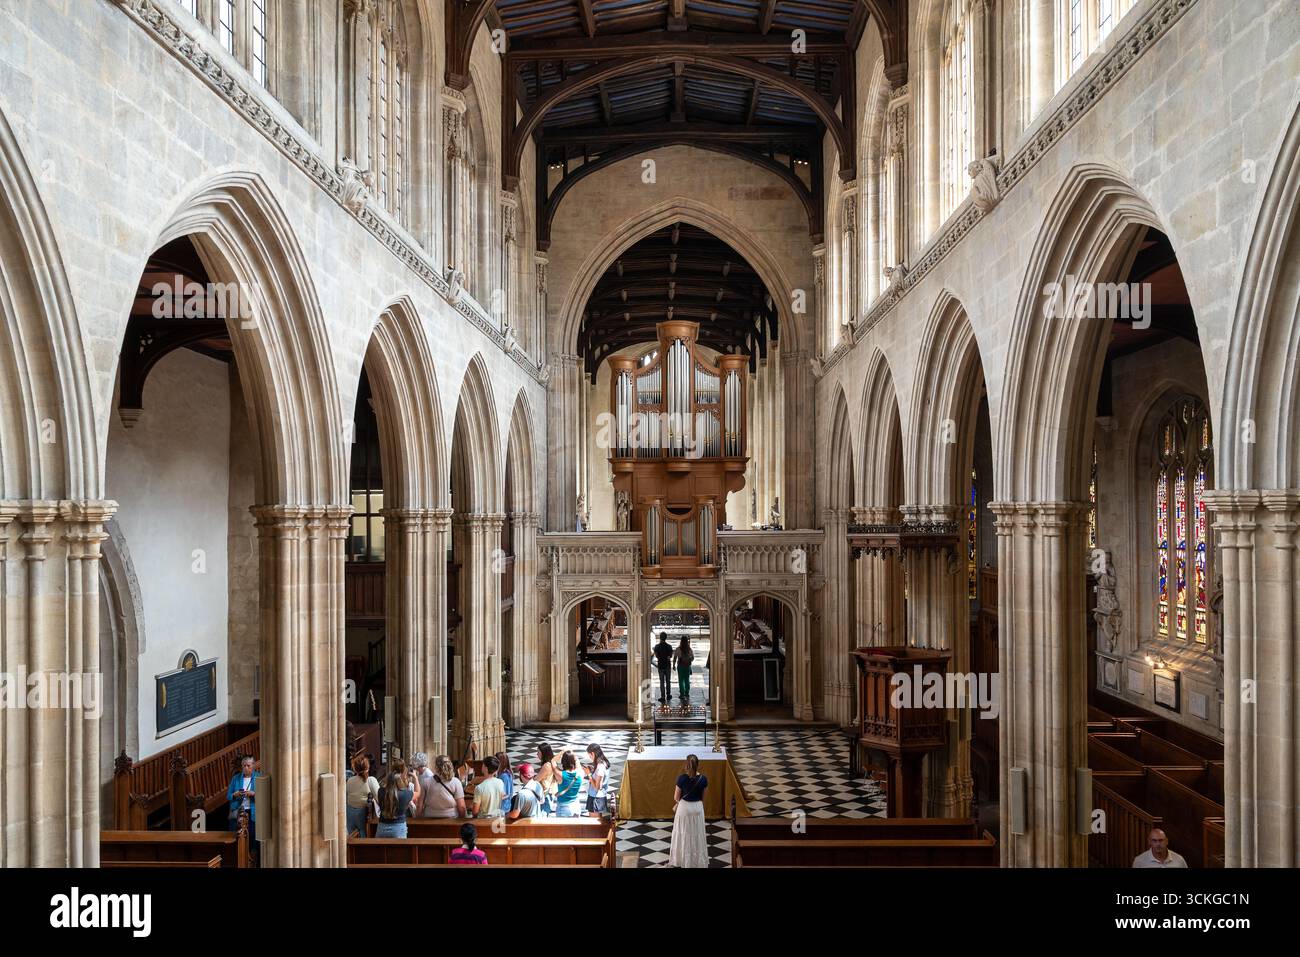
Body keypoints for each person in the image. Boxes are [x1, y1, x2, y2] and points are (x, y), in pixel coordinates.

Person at [668, 754, 708, 868]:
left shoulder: (682, 778)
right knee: (697, 835)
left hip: (684, 809)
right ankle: (697, 862)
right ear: (698, 765)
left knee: (683, 835)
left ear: (686, 765)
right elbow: (703, 798)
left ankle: (681, 861)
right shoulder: (703, 779)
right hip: (697, 809)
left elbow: (676, 797)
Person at [226, 755, 262, 843]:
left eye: (248, 766)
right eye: (244, 766)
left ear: (253, 765)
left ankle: (251, 855)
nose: (246, 768)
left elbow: (264, 796)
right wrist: (235, 794)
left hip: (252, 812)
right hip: (238, 811)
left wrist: (253, 794)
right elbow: (228, 796)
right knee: (236, 838)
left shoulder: (259, 777)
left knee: (252, 837)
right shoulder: (236, 778)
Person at [422, 754, 467, 819]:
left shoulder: (426, 782)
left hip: (429, 817)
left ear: (436, 767)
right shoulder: (456, 782)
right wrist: (460, 822)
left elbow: (420, 805)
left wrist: (419, 820)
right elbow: (461, 807)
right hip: (451, 818)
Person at [344, 754, 379, 836]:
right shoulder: (371, 780)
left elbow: (346, 797)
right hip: (364, 814)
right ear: (368, 768)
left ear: (355, 768)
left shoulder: (349, 781)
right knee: (364, 836)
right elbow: (379, 798)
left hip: (349, 813)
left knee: (352, 835)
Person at [376, 769, 414, 838]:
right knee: (399, 849)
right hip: (398, 828)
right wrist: (413, 778)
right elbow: (417, 791)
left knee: (380, 848)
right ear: (400, 782)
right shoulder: (406, 794)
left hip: (382, 826)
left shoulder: (380, 792)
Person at [554, 751, 585, 818]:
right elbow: (578, 764)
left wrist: (562, 752)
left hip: (563, 808)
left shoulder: (560, 775)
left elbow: (553, 761)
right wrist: (572, 754)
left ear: (563, 762)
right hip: (576, 807)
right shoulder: (581, 773)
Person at [585, 744, 611, 818]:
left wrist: (589, 774)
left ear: (593, 753)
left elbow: (597, 787)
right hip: (599, 796)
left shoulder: (600, 766)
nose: (590, 758)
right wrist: (593, 770)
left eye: (590, 756)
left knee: (594, 824)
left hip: (596, 797)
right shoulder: (604, 762)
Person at [536, 744, 560, 816]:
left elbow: (536, 779)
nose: (537, 754)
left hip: (545, 795)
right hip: (550, 793)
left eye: (538, 752)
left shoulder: (546, 766)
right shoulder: (552, 762)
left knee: (542, 818)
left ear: (543, 753)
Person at [410, 752, 434, 817]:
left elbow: (429, 792)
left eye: (413, 763)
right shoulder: (420, 772)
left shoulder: (428, 774)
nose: (412, 765)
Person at [673, 635, 695, 702]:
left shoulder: (678, 649)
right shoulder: (689, 649)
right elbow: (693, 657)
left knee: (681, 680)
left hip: (680, 666)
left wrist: (673, 665)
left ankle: (682, 693)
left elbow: (675, 658)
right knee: (687, 679)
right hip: (687, 666)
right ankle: (687, 692)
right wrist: (688, 660)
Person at [653, 633, 674, 702]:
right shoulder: (669, 646)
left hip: (661, 666)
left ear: (660, 638)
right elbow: (670, 656)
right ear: (666, 638)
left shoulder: (657, 647)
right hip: (667, 665)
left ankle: (662, 696)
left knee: (662, 682)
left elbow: (656, 656)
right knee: (668, 681)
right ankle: (668, 695)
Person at [495, 750, 515, 815]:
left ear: (500, 763)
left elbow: (507, 794)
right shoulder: (504, 773)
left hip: (503, 807)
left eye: (495, 761)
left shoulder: (504, 776)